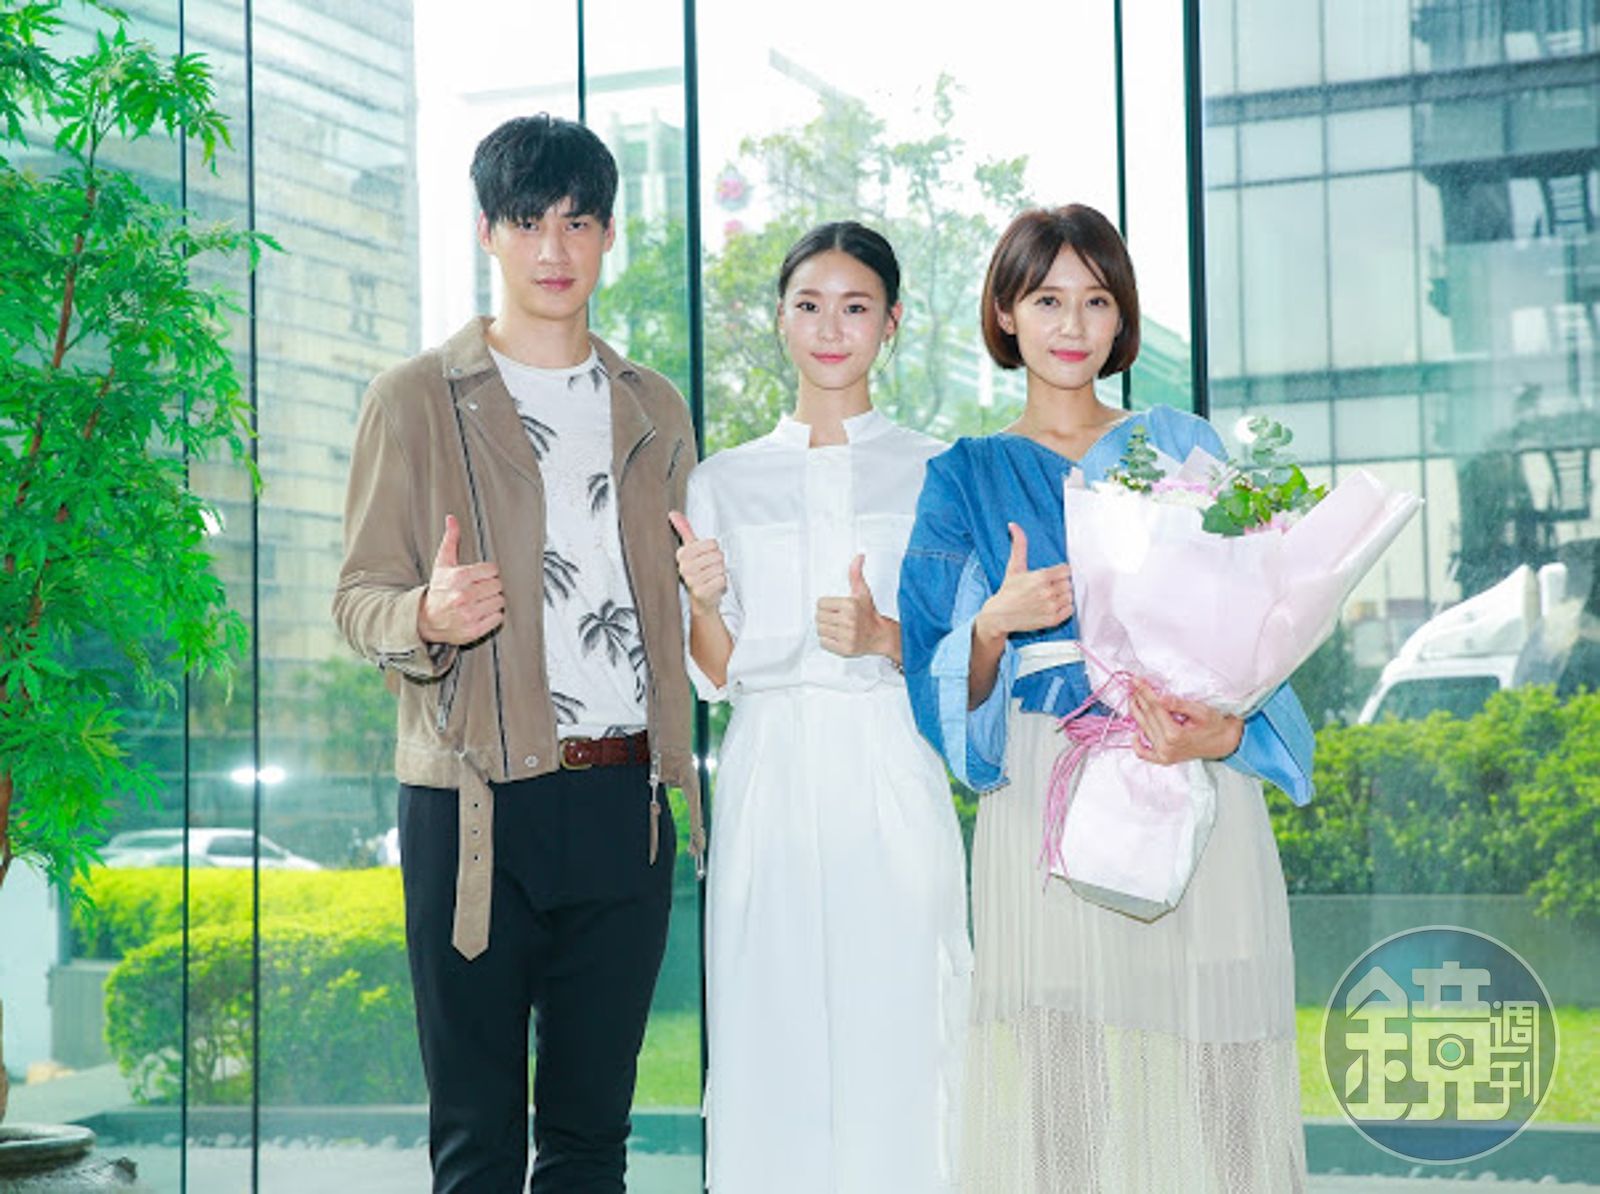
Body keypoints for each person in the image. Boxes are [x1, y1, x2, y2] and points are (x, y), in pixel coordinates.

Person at [898, 204, 1314, 1193]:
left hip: (1185, 759)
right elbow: (933, 672)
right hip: (1051, 780)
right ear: (1005, 313)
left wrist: (1224, 729)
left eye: (1095, 300)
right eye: (1046, 300)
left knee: (1225, 1054)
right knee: (1060, 1068)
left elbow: (1257, 614)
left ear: (1121, 315)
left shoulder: (1175, 444)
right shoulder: (964, 476)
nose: (1072, 324)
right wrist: (992, 625)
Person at [333, 113, 703, 1193]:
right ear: (486, 230)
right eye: (528, 221)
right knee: (477, 1142)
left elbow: (690, 599)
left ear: (609, 234)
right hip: (472, 806)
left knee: (591, 1142)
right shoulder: (413, 399)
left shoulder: (653, 408)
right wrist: (425, 615)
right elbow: (357, 598)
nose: (553, 248)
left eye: (577, 223)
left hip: (626, 802)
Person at [671, 221, 971, 1193]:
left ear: (892, 322)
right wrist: (704, 602)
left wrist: (885, 636)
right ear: (779, 320)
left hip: (889, 756)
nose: (830, 328)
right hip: (769, 768)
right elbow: (716, 670)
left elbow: (970, 653)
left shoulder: (938, 471)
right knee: (772, 1021)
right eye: (808, 305)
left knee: (904, 1014)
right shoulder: (723, 481)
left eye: (855, 307)